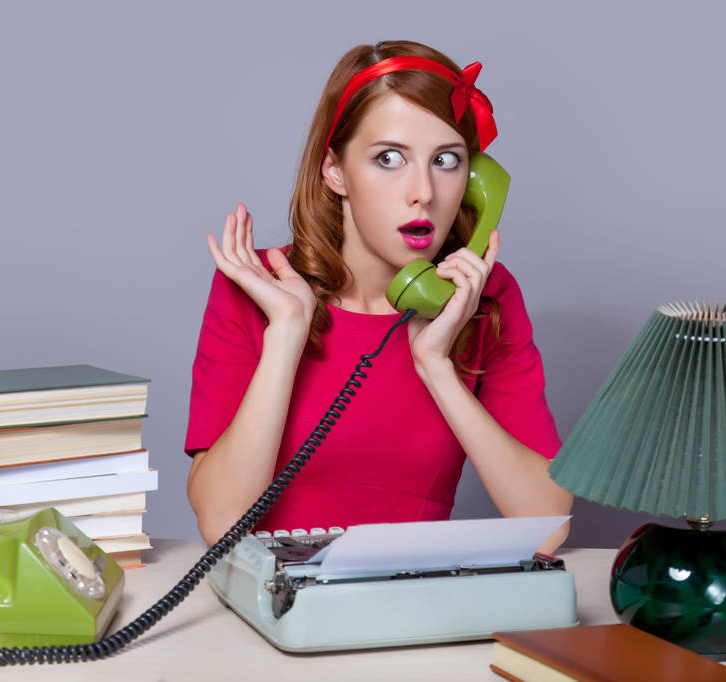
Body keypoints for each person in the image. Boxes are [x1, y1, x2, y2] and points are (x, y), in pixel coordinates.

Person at [185, 40, 572, 554]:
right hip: (273, 609)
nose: (424, 192)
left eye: (447, 160)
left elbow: (547, 527)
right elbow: (219, 521)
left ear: (476, 182)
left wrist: (436, 364)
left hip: (417, 607)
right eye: (389, 158)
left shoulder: (486, 298)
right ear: (335, 171)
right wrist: (286, 335)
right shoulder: (258, 290)